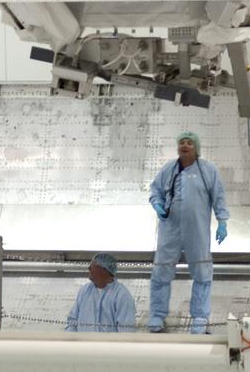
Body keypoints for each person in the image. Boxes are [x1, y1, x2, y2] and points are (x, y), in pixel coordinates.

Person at [147, 131, 229, 334]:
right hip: (170, 230)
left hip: (197, 231)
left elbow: (218, 196)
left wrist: (222, 221)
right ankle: (157, 315)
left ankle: (200, 319)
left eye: (189, 143)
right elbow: (155, 191)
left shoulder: (207, 170)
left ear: (196, 148)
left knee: (202, 273)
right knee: (161, 271)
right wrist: (157, 205)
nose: (185, 146)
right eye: (182, 142)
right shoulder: (169, 169)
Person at [65, 253, 137, 333]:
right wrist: (72, 342)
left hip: (109, 345)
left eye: (93, 266)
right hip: (84, 344)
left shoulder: (122, 295)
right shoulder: (84, 291)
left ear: (104, 270)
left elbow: (127, 330)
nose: (89, 268)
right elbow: (72, 321)